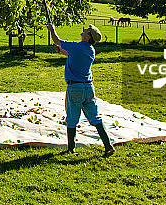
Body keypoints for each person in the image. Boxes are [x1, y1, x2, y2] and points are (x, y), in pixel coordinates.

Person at [47, 21, 115, 156]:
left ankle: (71, 149)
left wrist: (52, 29)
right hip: (88, 88)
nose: (84, 30)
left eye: (86, 31)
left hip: (75, 88)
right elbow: (73, 55)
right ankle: (108, 145)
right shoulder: (90, 50)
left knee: (72, 118)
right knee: (95, 117)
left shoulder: (77, 47)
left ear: (88, 37)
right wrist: (61, 51)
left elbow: (57, 40)